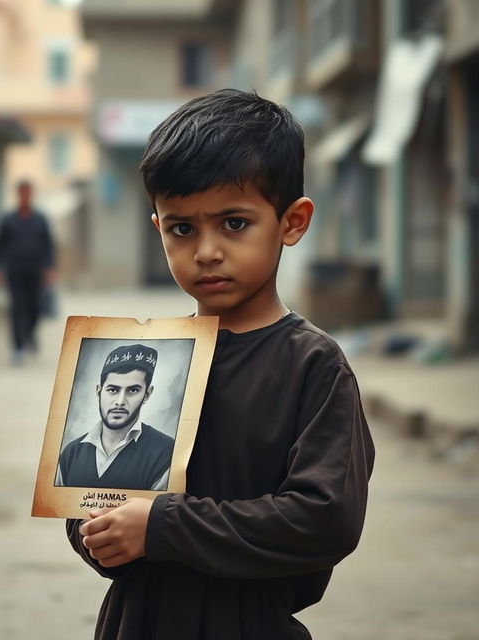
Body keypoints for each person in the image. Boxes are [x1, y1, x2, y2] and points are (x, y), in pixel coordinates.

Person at [67, 89, 375, 640]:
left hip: (249, 625)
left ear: (292, 222)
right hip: (137, 622)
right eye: (182, 228)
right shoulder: (149, 359)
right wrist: (98, 531)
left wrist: (162, 527)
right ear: (158, 226)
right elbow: (89, 497)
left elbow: (325, 517)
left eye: (234, 223)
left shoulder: (312, 365)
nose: (206, 250)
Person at [56, 344, 174, 490]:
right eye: (112, 390)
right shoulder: (71, 453)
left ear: (147, 394)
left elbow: (160, 511)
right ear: (99, 391)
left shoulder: (166, 453)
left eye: (133, 390)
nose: (120, 401)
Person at [0, 180, 55, 364]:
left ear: (31, 194)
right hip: (14, 270)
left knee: (34, 307)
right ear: (18, 194)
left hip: (35, 270)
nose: (25, 196)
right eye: (22, 192)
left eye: (28, 192)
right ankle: (17, 348)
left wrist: (49, 267)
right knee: (17, 308)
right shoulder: (8, 220)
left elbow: (48, 246)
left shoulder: (40, 219)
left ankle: (29, 333)